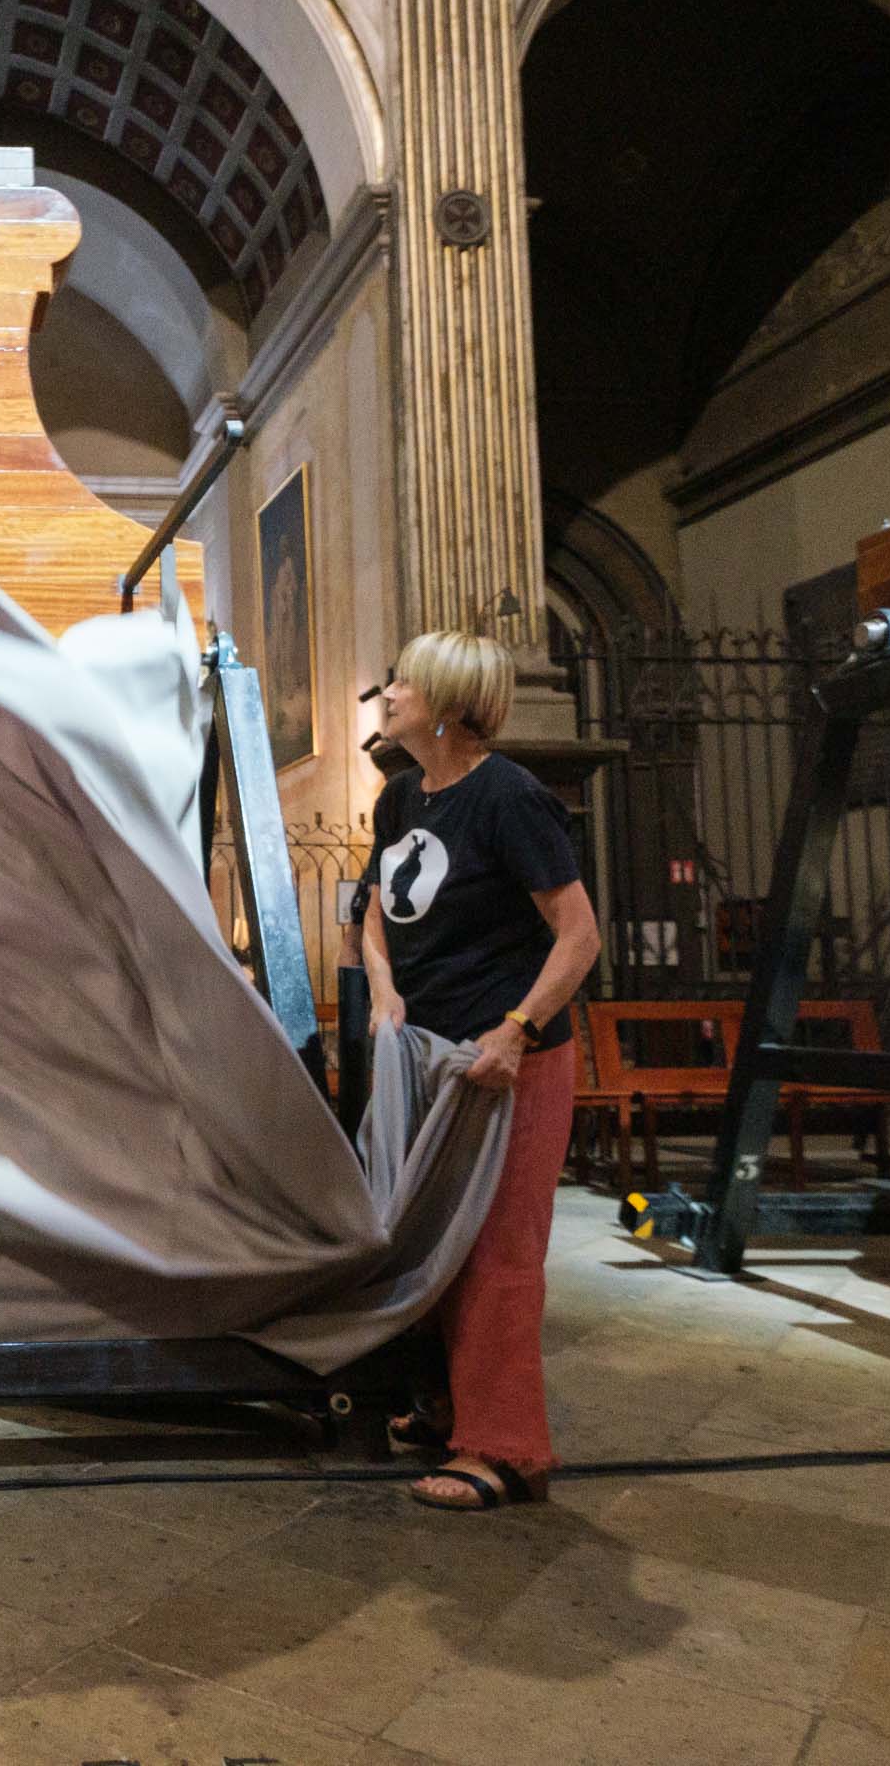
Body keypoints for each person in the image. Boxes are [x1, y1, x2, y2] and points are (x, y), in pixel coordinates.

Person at [340, 629, 600, 1512]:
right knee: (428, 1239)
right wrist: (383, 992)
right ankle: (447, 1409)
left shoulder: (509, 798)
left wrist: (518, 1030)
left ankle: (504, 1449)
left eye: (404, 679)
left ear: (449, 703)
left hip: (506, 1060)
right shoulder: (402, 797)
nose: (389, 689)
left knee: (498, 1249)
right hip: (428, 1053)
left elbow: (579, 936)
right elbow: (376, 912)